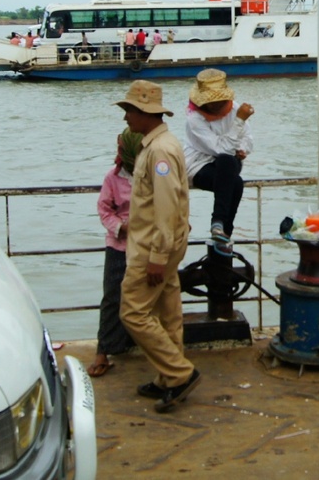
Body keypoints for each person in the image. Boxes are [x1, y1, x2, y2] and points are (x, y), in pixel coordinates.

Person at [114, 80, 200, 413]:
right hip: (163, 242)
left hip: (154, 245)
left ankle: (179, 373)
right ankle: (169, 376)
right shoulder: (161, 145)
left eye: (129, 112)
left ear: (144, 113)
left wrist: (158, 257)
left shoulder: (160, 151)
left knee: (133, 312)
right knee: (167, 311)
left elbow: (165, 204)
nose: (126, 119)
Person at [87, 128, 144, 378]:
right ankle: (104, 350)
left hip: (147, 244)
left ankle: (148, 346)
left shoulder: (154, 176)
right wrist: (121, 227)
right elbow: (104, 210)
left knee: (150, 295)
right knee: (112, 296)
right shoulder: (112, 178)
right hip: (119, 245)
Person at [184, 68, 254, 253]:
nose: (215, 105)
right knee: (235, 182)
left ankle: (218, 226)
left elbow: (248, 139)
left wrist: (242, 149)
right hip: (200, 165)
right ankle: (224, 233)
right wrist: (238, 122)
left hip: (228, 164)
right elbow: (220, 149)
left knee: (228, 162)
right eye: (210, 101)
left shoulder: (236, 109)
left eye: (218, 100)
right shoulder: (194, 119)